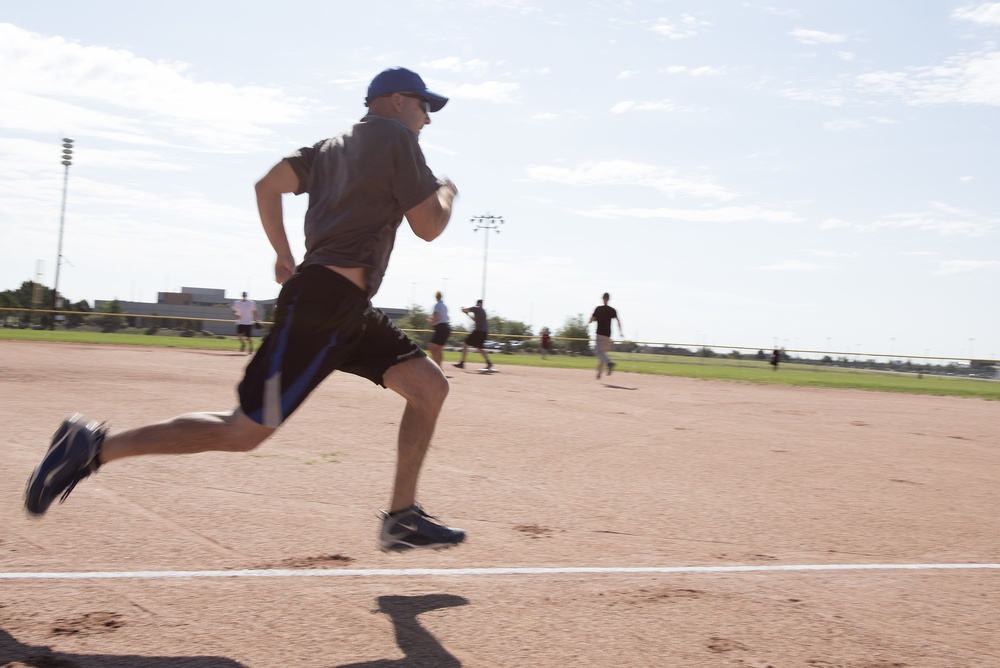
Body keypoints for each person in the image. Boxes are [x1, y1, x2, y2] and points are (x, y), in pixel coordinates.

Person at [24, 66, 466, 553]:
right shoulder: (394, 135)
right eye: (425, 107)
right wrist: (446, 189)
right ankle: (93, 448)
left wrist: (283, 254)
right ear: (398, 100)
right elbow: (428, 225)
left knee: (428, 387)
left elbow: (267, 184)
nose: (428, 119)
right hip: (326, 305)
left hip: (345, 308)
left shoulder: (329, 147)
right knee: (243, 431)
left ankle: (402, 516)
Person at [590, 292, 622, 379]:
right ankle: (599, 374)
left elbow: (591, 319)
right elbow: (618, 321)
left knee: (600, 354)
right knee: (603, 355)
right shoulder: (612, 310)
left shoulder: (598, 309)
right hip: (608, 335)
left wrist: (591, 320)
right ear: (608, 299)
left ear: (603, 298)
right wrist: (620, 332)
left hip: (600, 334)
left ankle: (610, 363)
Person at [453, 299, 491, 370]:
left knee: (465, 344)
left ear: (477, 303)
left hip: (478, 330)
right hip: (484, 331)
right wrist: (467, 314)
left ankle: (462, 363)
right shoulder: (483, 311)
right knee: (480, 347)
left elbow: (465, 310)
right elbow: (475, 320)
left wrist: (462, 309)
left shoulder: (476, 308)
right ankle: (489, 362)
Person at [428, 291, 450, 371]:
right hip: (445, 328)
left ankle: (436, 368)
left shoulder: (438, 305)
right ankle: (439, 368)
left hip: (441, 328)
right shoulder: (444, 306)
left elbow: (435, 316)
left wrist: (431, 322)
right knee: (438, 350)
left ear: (436, 297)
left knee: (432, 348)